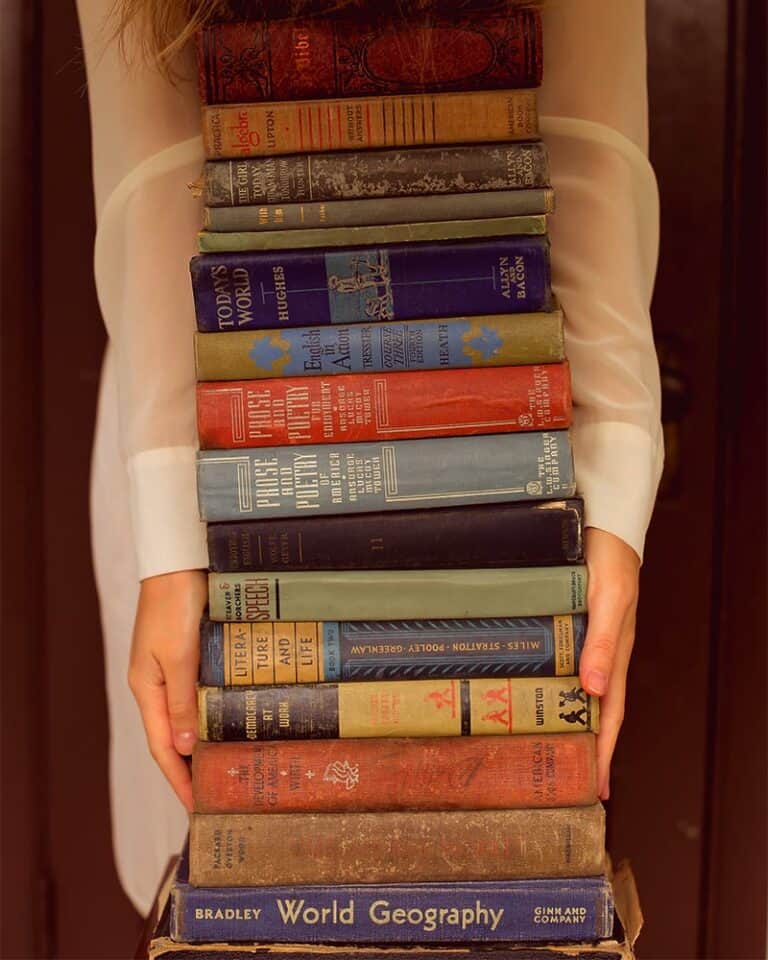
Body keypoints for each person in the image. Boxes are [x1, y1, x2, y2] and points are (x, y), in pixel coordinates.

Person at [77, 0, 663, 915]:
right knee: (226, 853)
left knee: (488, 878)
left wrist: (618, 485)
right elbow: (150, 163)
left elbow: (592, 135)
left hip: (514, 426)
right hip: (211, 431)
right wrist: (174, 528)